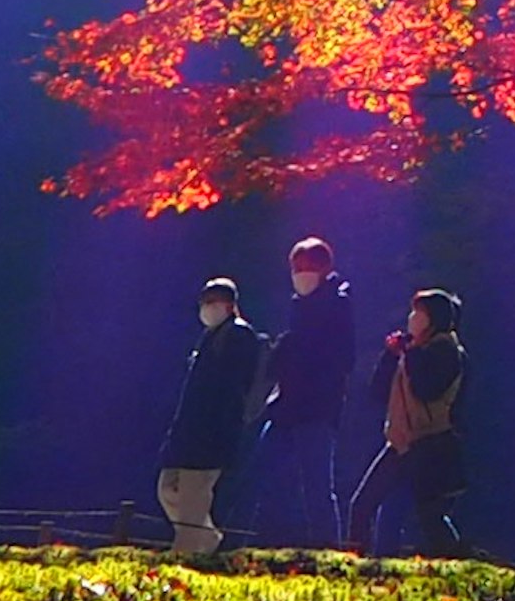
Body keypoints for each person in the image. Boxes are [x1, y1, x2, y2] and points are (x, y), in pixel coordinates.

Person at [247, 234, 360, 543]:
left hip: (317, 409)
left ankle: (328, 550)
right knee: (267, 473)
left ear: (324, 268)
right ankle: (267, 541)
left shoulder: (336, 305)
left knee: (317, 486)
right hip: (287, 406)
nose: (299, 274)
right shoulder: (300, 306)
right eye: (294, 268)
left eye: (305, 266)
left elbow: (343, 358)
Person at [349, 285, 470, 558]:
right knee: (365, 505)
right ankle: (362, 564)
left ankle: (457, 561)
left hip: (428, 444)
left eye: (419, 313)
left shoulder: (447, 352)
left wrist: (411, 354)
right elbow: (379, 391)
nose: (412, 318)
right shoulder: (413, 351)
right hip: (400, 441)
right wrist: (391, 356)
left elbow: (427, 389)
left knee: (429, 516)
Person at [156, 274, 267, 550]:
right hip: (190, 432)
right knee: (167, 488)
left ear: (229, 305)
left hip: (211, 434)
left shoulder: (239, 336)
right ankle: (206, 540)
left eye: (212, 301)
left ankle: (188, 555)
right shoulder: (211, 337)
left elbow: (231, 389)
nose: (206, 307)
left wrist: (221, 426)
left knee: (193, 500)